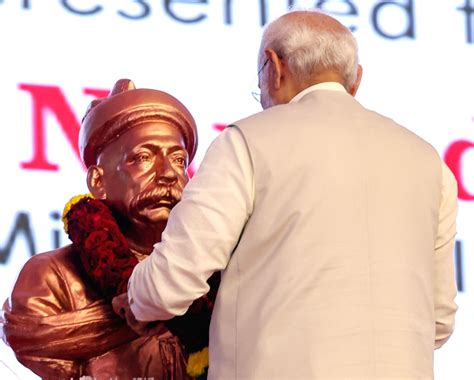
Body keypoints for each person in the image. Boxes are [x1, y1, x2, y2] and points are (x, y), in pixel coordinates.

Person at [120, 9, 458, 380]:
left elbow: (172, 283)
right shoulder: (429, 161)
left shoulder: (248, 142)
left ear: (273, 67)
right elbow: (438, 320)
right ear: (355, 81)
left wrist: (136, 299)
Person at [1, 79, 218, 380]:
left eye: (179, 160)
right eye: (143, 157)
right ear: (98, 182)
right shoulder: (50, 279)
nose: (169, 173)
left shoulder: (215, 274)